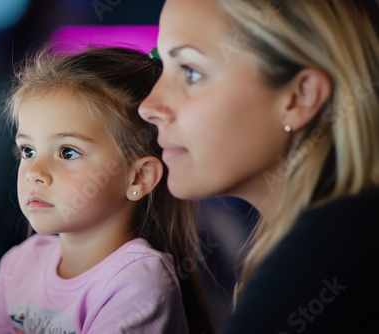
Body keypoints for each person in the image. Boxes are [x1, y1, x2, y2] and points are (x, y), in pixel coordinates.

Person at [138, 0, 379, 333]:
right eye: (161, 66)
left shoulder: (332, 251)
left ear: (300, 98)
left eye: (191, 72)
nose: (148, 107)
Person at [0, 46, 214, 334]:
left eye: (67, 152)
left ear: (137, 178)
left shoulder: (137, 283)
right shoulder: (22, 261)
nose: (35, 174)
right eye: (28, 151)